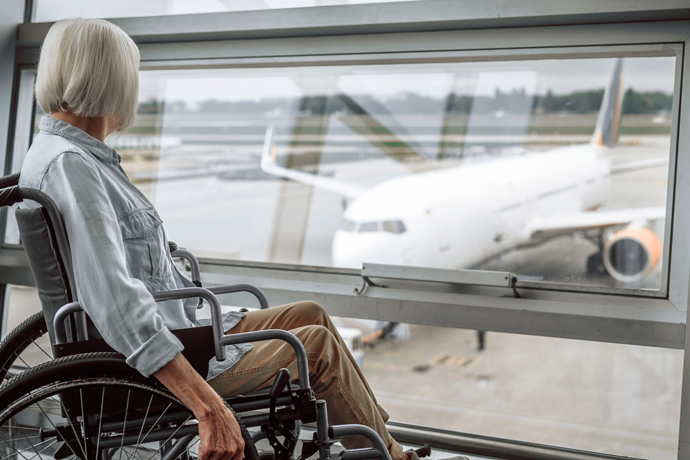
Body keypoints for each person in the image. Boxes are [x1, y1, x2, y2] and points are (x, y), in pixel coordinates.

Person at [20, 18, 466, 460]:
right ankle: (390, 456)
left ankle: (384, 444)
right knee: (318, 350)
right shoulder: (72, 166)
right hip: (151, 360)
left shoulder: (71, 156)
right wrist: (206, 405)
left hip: (175, 322)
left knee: (310, 314)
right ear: (112, 79)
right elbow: (114, 301)